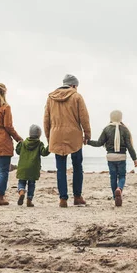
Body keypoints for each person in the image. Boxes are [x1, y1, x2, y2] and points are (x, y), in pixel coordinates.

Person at [43, 74, 91, 208]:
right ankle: (77, 196)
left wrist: (49, 137)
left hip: (56, 135)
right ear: (74, 85)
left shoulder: (50, 98)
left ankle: (63, 199)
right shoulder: (76, 97)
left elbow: (46, 119)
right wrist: (87, 134)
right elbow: (84, 117)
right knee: (77, 167)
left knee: (60, 169)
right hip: (74, 136)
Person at [88, 110, 137, 207]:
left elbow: (99, 143)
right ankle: (119, 189)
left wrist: (87, 142)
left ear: (111, 118)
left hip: (110, 157)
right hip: (121, 157)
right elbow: (129, 146)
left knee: (113, 177)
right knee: (122, 176)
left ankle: (115, 198)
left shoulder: (106, 129)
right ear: (121, 118)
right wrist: (134, 159)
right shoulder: (125, 130)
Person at [15, 125, 50, 207]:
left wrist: (19, 143)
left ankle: (21, 192)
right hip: (33, 168)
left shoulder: (23, 143)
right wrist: (50, 146)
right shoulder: (39, 144)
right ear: (39, 135)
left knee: (21, 182)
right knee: (31, 184)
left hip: (22, 167)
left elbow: (17, 151)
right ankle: (29, 200)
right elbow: (44, 153)